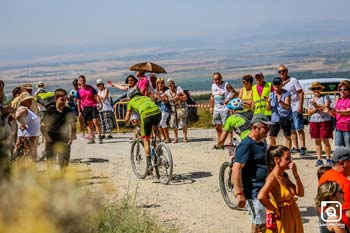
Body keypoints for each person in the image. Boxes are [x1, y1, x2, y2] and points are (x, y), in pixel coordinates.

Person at [232, 114, 272, 233]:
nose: (268, 131)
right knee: (260, 224)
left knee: (260, 222)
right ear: (255, 128)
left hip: (264, 188)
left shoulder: (262, 142)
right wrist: (239, 193)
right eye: (266, 128)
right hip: (254, 190)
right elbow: (236, 168)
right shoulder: (246, 145)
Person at [257, 145, 304, 233]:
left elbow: (300, 193)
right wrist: (274, 210)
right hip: (283, 217)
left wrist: (296, 175)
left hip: (293, 214)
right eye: (287, 159)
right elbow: (261, 196)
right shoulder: (272, 178)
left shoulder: (284, 176)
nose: (290, 161)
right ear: (276, 160)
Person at [124, 88, 161, 172]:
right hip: (157, 112)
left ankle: (149, 165)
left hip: (146, 115)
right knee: (155, 128)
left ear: (130, 96)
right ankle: (159, 146)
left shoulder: (131, 102)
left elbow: (127, 117)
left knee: (146, 139)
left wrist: (126, 124)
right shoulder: (146, 97)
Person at [41, 89, 76, 170]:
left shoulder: (68, 111)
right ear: (56, 99)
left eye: (65, 99)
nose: (64, 101)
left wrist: (71, 139)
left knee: (64, 164)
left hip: (64, 139)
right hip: (51, 140)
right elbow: (42, 126)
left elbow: (73, 127)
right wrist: (47, 138)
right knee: (50, 163)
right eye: (62, 99)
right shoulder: (50, 110)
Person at [319, 147, 350, 231]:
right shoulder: (345, 182)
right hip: (341, 226)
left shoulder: (324, 176)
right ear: (342, 163)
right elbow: (348, 213)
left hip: (325, 220)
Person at [279, 65, 307, 156]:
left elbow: (301, 92)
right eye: (280, 71)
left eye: (283, 71)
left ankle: (303, 146)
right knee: (292, 130)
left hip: (295, 108)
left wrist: (300, 105)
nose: (282, 73)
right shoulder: (279, 83)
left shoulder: (293, 80)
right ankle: (296, 147)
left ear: (287, 71)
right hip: (286, 110)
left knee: (299, 128)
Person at [307, 82, 333, 167]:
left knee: (325, 140)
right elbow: (309, 113)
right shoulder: (310, 100)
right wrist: (316, 108)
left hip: (324, 120)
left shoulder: (326, 97)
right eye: (314, 89)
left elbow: (326, 108)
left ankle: (328, 158)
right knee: (317, 141)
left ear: (321, 89)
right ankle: (319, 159)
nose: (316, 90)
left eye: (318, 88)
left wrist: (315, 106)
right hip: (314, 121)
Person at [109, 75, 140, 142]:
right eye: (128, 80)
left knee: (135, 121)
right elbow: (122, 87)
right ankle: (136, 136)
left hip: (136, 106)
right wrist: (113, 84)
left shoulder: (136, 87)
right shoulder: (129, 87)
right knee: (134, 121)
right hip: (131, 106)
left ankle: (138, 135)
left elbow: (134, 96)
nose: (130, 81)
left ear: (134, 80)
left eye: (131, 80)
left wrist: (125, 99)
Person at [14, 92, 41, 163]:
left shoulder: (28, 109)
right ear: (23, 101)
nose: (30, 101)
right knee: (29, 157)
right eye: (28, 100)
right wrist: (23, 123)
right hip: (28, 137)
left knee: (28, 156)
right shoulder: (24, 109)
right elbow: (17, 117)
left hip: (30, 136)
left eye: (30, 100)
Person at [76, 75, 103, 144]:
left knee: (95, 121)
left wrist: (100, 103)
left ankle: (100, 136)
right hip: (85, 108)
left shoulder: (90, 88)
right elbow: (78, 102)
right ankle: (92, 138)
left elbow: (96, 96)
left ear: (85, 80)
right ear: (79, 82)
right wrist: (79, 112)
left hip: (93, 105)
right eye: (81, 80)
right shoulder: (79, 91)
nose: (83, 82)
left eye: (84, 80)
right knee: (89, 123)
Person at [267, 77, 292, 149]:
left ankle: (288, 152)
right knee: (272, 136)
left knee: (287, 136)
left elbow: (287, 106)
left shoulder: (286, 93)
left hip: (285, 116)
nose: (277, 86)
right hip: (274, 118)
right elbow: (268, 109)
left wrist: (280, 101)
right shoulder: (271, 94)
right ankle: (274, 152)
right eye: (275, 84)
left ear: (281, 84)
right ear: (273, 85)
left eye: (278, 84)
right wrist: (268, 102)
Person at [326, 80, 350, 148]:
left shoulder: (349, 100)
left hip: (347, 127)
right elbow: (336, 115)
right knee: (338, 148)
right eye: (340, 89)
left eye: (344, 89)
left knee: (348, 148)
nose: (342, 91)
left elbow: (348, 111)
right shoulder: (338, 100)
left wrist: (336, 111)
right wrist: (329, 112)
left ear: (349, 90)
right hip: (338, 127)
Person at [209, 72, 232, 145]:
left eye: (218, 79)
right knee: (217, 126)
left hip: (225, 109)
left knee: (227, 126)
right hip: (216, 109)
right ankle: (220, 142)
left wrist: (228, 98)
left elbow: (234, 92)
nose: (217, 81)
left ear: (221, 78)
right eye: (215, 80)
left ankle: (230, 141)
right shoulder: (213, 86)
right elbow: (212, 97)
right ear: (213, 80)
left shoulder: (226, 84)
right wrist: (211, 107)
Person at [165, 78, 188, 143]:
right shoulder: (167, 91)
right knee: (173, 123)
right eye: (168, 84)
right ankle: (176, 138)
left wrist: (178, 97)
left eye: (171, 83)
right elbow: (162, 97)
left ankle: (185, 138)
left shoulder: (178, 89)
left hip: (181, 108)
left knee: (183, 123)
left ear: (174, 83)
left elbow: (185, 97)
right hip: (173, 109)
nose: (170, 85)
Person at [154, 77, 171, 143]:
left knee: (163, 122)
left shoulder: (166, 90)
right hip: (158, 108)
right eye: (159, 83)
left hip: (165, 108)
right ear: (157, 84)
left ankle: (168, 138)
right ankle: (164, 137)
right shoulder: (155, 90)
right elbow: (154, 100)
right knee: (159, 124)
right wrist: (154, 97)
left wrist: (161, 98)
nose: (160, 84)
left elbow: (167, 101)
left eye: (162, 83)